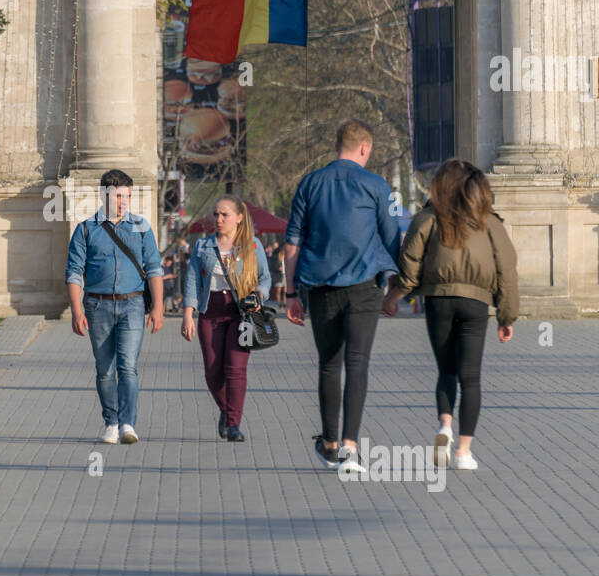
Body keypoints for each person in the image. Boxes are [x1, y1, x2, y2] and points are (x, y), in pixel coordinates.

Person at [382, 159, 519, 471]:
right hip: (476, 304)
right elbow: (507, 270)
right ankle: (464, 452)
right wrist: (506, 316)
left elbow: (410, 264)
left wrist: (394, 297)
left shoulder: (427, 219)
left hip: (439, 301)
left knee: (446, 371)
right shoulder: (491, 224)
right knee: (471, 377)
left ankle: (444, 425)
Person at [284, 119, 401, 474]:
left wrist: (291, 293)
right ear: (364, 148)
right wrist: (399, 290)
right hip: (365, 287)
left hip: (320, 288)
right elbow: (393, 239)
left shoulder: (310, 183)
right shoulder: (375, 185)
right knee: (358, 362)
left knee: (329, 364)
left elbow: (292, 243)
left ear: (338, 146)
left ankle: (330, 442)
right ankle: (351, 447)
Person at [66, 169, 165, 444]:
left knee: (128, 367)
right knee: (105, 369)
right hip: (97, 307)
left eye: (127, 196)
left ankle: (127, 423)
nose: (123, 202)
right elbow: (74, 273)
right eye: (118, 196)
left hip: (133, 304)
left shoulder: (141, 227)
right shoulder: (85, 229)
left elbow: (154, 268)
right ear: (104, 195)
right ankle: (110, 422)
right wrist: (76, 311)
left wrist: (158, 307)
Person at [181, 195, 271, 442]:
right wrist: (188, 314)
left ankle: (233, 424)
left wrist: (258, 295)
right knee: (213, 372)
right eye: (216, 214)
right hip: (210, 312)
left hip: (241, 313)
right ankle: (225, 409)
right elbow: (192, 281)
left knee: (235, 369)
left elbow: (265, 278)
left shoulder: (252, 246)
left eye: (225, 215)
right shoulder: (202, 246)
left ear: (239, 218)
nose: (218, 219)